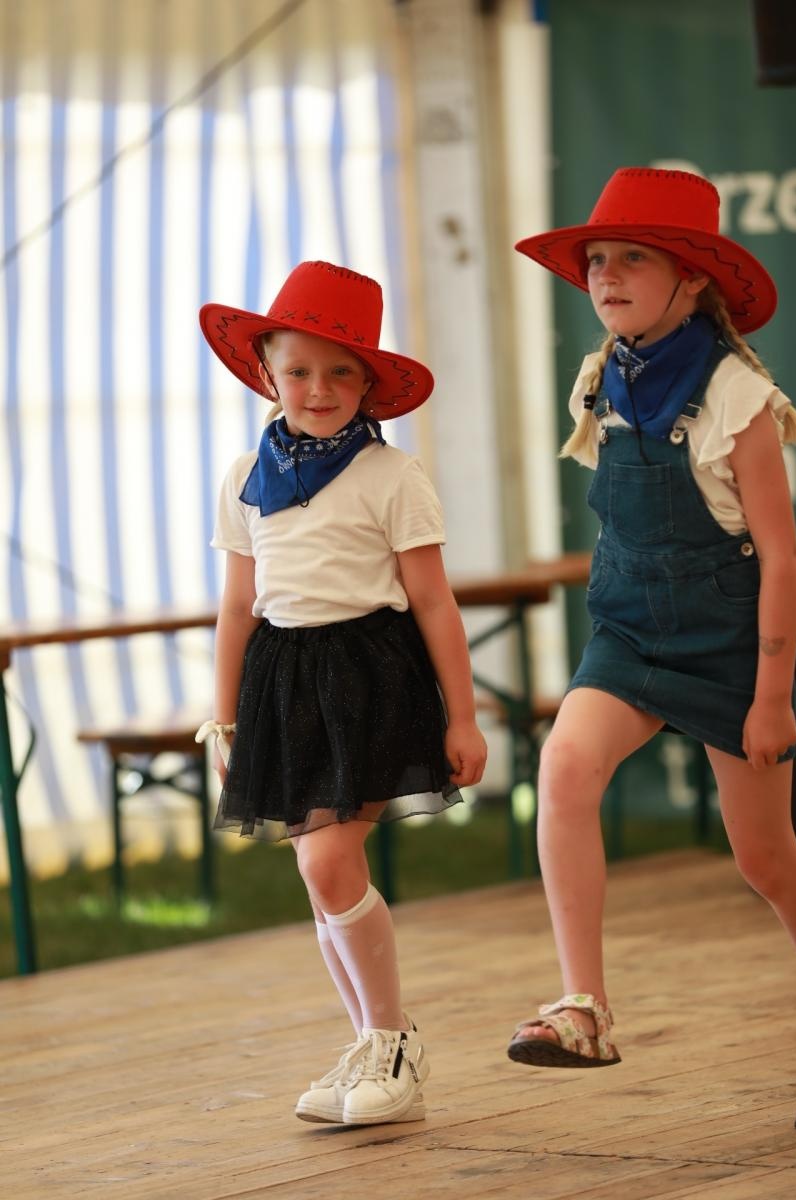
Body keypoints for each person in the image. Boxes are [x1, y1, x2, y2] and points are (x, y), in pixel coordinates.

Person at [506, 167, 796, 1072]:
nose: (606, 276)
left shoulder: (738, 398)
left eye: (633, 258)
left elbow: (782, 558)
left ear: (693, 277)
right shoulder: (600, 379)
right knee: (564, 766)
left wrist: (771, 699)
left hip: (731, 645)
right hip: (628, 631)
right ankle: (583, 1009)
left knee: (765, 861)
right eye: (596, 260)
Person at [196, 260, 487, 1126]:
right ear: (266, 372)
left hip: (371, 676)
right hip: (281, 681)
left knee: (328, 861)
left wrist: (465, 717)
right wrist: (223, 720)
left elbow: (434, 602)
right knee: (318, 875)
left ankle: (393, 1042)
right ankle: (371, 1048)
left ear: (369, 383)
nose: (318, 390)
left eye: (341, 372)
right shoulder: (244, 477)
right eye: (299, 371)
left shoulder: (392, 476)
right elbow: (238, 607)